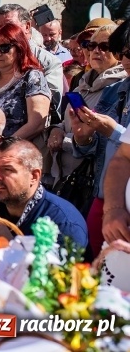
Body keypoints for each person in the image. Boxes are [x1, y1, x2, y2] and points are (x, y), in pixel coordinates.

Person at [71, 21, 130, 253]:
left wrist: (113, 131)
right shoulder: (114, 91)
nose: (125, 59)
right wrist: (83, 137)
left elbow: (122, 146)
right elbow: (98, 151)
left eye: (105, 47)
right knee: (96, 263)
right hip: (105, 193)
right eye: (122, 53)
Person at [48, 24, 126, 192]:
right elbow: (68, 121)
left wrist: (67, 141)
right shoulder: (81, 83)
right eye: (91, 45)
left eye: (105, 46)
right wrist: (56, 130)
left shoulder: (119, 89)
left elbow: (105, 140)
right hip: (64, 176)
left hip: (92, 181)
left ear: (119, 52)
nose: (96, 51)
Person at [0, 137, 88, 249]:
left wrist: (7, 241)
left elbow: (63, 261)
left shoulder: (63, 224)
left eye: (7, 169)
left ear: (34, 176)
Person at [0, 4, 63, 118]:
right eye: (0, 27)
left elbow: (50, 104)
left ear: (27, 26)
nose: (4, 31)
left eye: (10, 26)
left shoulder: (48, 61)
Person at [0, 23, 52, 139]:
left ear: (19, 48)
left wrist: (4, 146)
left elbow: (37, 124)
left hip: (17, 147)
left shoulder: (32, 77)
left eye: (4, 48)